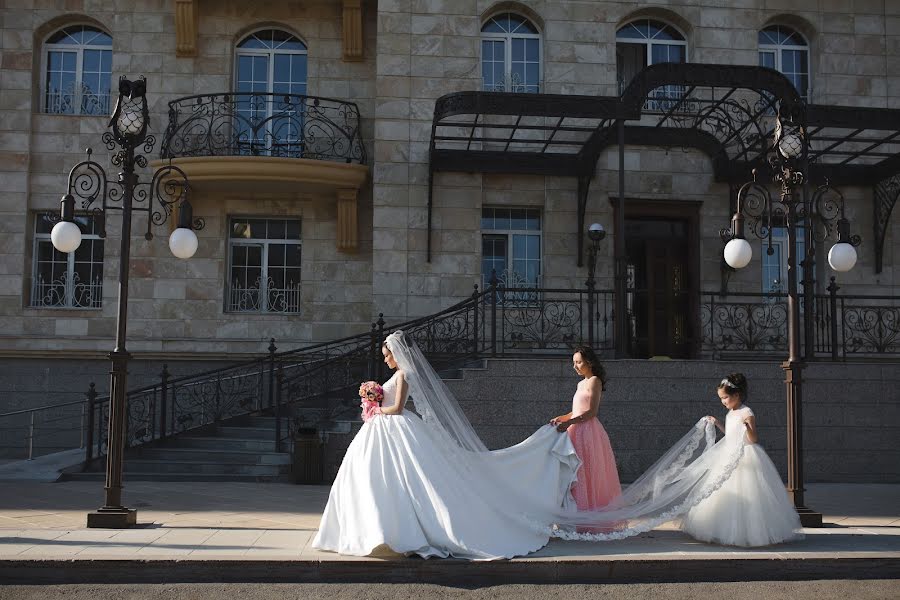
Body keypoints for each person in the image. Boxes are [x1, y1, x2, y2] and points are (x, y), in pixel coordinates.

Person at [311, 330, 581, 560]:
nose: (386, 360)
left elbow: (397, 407)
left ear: (397, 353)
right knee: (374, 478)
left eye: (387, 355)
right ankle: (372, 530)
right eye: (385, 356)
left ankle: (396, 531)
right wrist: (372, 399)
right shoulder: (397, 374)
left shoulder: (404, 374)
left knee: (405, 478)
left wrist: (376, 408)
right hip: (383, 429)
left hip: (394, 424)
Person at [680, 373, 804, 547]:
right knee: (720, 491)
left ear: (736, 395)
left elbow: (753, 439)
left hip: (746, 455)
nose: (723, 401)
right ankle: (719, 529)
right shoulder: (731, 413)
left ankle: (749, 533)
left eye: (725, 397)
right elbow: (731, 435)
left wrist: (747, 426)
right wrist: (718, 423)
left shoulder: (747, 412)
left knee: (749, 491)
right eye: (721, 398)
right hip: (729, 454)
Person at [550, 346, 621, 512]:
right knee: (574, 472)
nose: (575, 366)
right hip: (575, 430)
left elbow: (591, 412)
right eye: (573, 362)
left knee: (587, 472)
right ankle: (575, 513)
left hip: (588, 432)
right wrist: (562, 418)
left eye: (579, 362)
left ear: (589, 362)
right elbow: (577, 410)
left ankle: (588, 512)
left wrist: (569, 423)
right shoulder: (580, 383)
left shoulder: (594, 381)